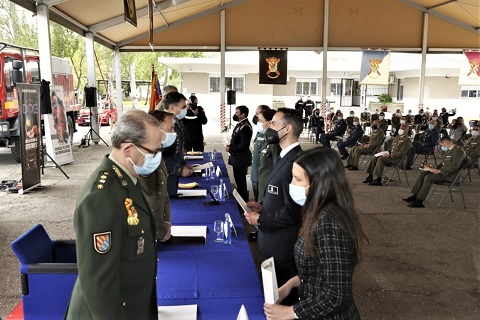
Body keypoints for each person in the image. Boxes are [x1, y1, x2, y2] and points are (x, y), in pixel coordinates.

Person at [65, 109, 160, 319]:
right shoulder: (101, 197)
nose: (157, 157)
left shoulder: (127, 180)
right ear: (128, 149)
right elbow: (98, 285)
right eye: (153, 152)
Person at [263, 147, 367, 320]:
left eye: (297, 179)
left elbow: (337, 295)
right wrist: (290, 284)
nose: (291, 185)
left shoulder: (329, 224)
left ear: (319, 183)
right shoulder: (317, 212)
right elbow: (317, 268)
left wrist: (291, 312)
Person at [244, 108, 303, 305]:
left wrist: (261, 219)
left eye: (274, 124)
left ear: (287, 129)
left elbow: (294, 211)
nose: (269, 126)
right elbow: (280, 196)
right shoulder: (284, 156)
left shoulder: (296, 162)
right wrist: (262, 206)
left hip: (283, 245)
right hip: (274, 241)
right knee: (272, 294)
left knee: (283, 299)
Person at [138, 110, 178, 242]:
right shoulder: (144, 158)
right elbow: (149, 197)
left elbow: (163, 191)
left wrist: (167, 221)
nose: (173, 133)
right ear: (156, 129)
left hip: (157, 228)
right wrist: (160, 230)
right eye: (170, 129)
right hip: (148, 231)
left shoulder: (156, 153)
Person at [403, 136, 466, 208]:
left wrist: (440, 171)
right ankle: (415, 195)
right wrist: (434, 167)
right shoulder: (450, 150)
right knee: (423, 174)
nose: (442, 147)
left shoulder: (458, 151)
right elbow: (444, 163)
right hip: (443, 172)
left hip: (449, 175)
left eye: (442, 145)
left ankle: (420, 201)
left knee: (428, 177)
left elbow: (455, 166)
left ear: (446, 142)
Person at [163, 92, 194, 196]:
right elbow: (160, 155)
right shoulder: (161, 125)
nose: (186, 109)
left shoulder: (174, 123)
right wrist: (179, 169)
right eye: (183, 107)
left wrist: (183, 164)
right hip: (164, 177)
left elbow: (175, 151)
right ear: (172, 107)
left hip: (173, 176)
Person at [227, 105, 253, 202]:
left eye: (237, 113)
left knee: (242, 183)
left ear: (243, 115)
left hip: (241, 159)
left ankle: (244, 202)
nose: (235, 115)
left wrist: (231, 148)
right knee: (238, 181)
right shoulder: (240, 124)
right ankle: (240, 201)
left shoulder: (245, 127)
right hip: (237, 158)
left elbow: (244, 145)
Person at [257, 109, 282, 202]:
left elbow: (277, 165)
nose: (258, 123)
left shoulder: (274, 143)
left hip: (268, 184)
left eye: (260, 120)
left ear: (269, 122)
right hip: (262, 181)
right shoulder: (266, 137)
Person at [252, 105, 271, 201]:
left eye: (259, 118)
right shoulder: (260, 133)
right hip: (256, 175)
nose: (256, 119)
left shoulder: (271, 140)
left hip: (264, 178)